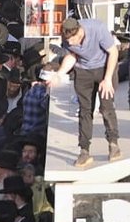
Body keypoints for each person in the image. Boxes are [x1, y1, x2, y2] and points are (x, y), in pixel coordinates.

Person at [48, 17, 121, 167]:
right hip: (83, 71)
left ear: (79, 34)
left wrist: (107, 79)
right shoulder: (67, 39)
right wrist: (59, 74)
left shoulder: (97, 28)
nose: (70, 43)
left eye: (72, 41)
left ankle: (113, 144)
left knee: (106, 108)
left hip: (104, 67)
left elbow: (113, 52)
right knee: (84, 110)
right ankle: (84, 150)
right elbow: (71, 57)